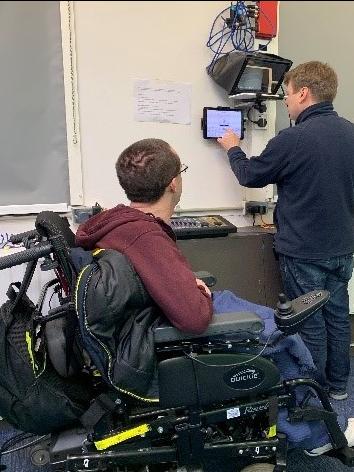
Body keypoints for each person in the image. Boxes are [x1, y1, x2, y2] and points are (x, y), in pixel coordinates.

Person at [216, 61, 354, 401]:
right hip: (343, 248)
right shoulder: (351, 132)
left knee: (310, 322)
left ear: (304, 93)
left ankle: (314, 393)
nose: (286, 103)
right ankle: (338, 389)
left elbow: (249, 175)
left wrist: (232, 146)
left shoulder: (293, 139)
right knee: (338, 316)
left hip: (304, 251)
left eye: (288, 95)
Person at [76, 138, 213, 334]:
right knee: (269, 327)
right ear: (173, 184)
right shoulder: (145, 238)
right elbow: (195, 320)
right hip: (166, 330)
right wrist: (200, 291)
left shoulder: (116, 222)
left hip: (152, 314)